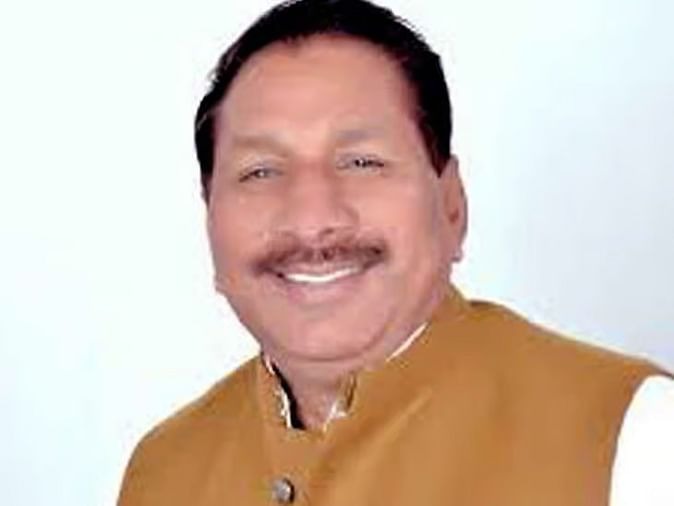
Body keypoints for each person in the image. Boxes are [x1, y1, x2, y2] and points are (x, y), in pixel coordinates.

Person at [117, 0, 673, 504]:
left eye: (362, 162)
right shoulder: (163, 473)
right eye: (260, 171)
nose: (312, 218)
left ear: (452, 206)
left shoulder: (634, 435)